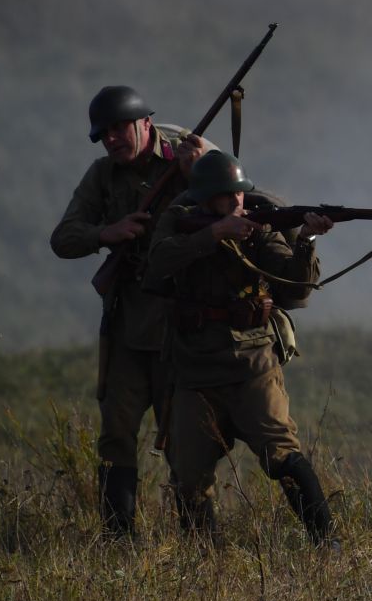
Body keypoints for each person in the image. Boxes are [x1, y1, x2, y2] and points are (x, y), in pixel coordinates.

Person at [142, 150, 336, 542]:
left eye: (240, 195)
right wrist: (211, 235)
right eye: (227, 197)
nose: (238, 203)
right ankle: (204, 563)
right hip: (194, 369)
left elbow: (296, 286)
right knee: (190, 477)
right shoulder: (180, 222)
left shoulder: (258, 228)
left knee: (282, 457)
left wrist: (308, 239)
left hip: (253, 365)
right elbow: (157, 264)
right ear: (205, 200)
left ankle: (326, 540)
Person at [50, 85, 210, 534]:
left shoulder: (189, 158)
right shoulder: (102, 176)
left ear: (145, 124)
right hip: (126, 327)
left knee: (185, 441)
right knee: (116, 435)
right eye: (104, 135)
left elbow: (234, 207)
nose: (112, 140)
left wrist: (195, 176)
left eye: (119, 129)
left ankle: (202, 542)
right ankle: (118, 538)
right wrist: (108, 233)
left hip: (181, 329)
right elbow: (63, 238)